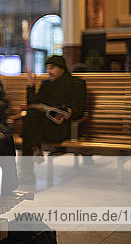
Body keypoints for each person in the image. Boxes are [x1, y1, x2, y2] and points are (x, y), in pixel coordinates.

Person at [20, 55, 86, 184]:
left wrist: (70, 112)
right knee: (32, 114)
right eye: (47, 68)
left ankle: (29, 167)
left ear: (62, 68)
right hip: (41, 127)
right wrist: (31, 86)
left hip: (60, 128)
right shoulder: (46, 85)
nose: (49, 71)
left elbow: (80, 109)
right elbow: (33, 104)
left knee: (28, 133)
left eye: (52, 68)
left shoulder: (76, 84)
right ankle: (34, 149)